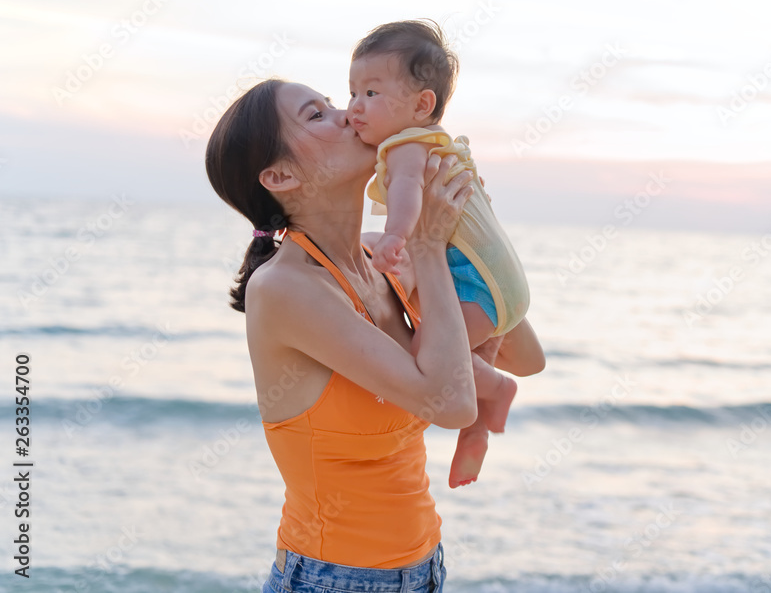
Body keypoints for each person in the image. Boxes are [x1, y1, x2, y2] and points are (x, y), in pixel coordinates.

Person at [205, 79, 544, 592]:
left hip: (425, 566)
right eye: (316, 115)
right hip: (331, 577)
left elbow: (525, 357)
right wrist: (429, 247)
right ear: (281, 175)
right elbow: (451, 405)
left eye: (334, 102)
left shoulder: (380, 260)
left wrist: (472, 235)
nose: (348, 114)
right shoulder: (283, 288)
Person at [348, 20, 541, 484]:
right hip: (493, 279)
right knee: (465, 352)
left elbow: (408, 191)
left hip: (481, 285)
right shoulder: (435, 144)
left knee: (431, 354)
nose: (354, 107)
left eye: (371, 93)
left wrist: (396, 235)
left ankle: (496, 389)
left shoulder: (406, 146)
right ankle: (476, 431)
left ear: (422, 104)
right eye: (352, 91)